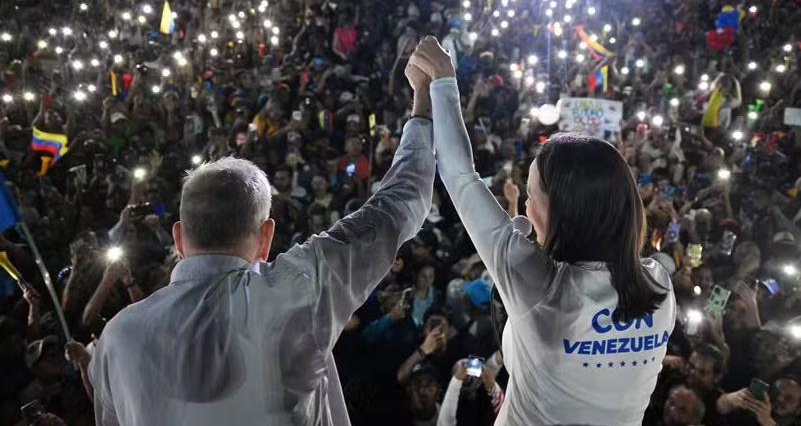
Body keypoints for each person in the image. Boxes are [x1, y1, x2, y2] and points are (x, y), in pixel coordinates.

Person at [85, 66, 437, 426]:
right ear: (266, 236)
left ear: (178, 238)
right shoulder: (299, 291)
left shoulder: (117, 338)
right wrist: (423, 103)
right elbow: (397, 205)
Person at [411, 36, 677, 425]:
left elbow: (458, 174)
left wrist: (443, 80)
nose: (525, 208)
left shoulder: (537, 283)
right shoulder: (660, 286)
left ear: (563, 213)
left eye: (530, 195)